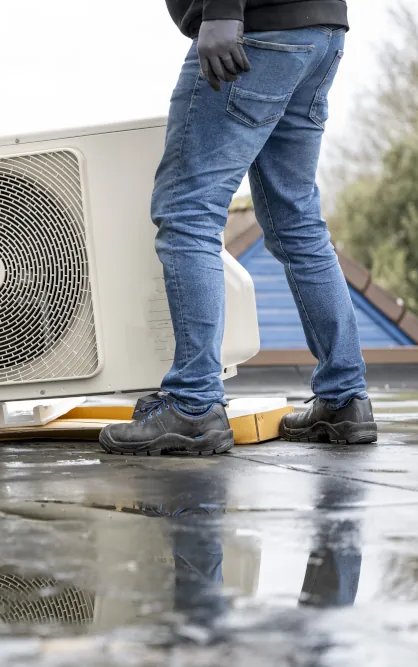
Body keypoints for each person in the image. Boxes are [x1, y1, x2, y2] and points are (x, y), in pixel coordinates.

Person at [101, 0, 377, 456]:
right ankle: (345, 398)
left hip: (254, 30)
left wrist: (222, 11)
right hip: (319, 31)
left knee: (188, 212)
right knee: (297, 221)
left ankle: (193, 405)